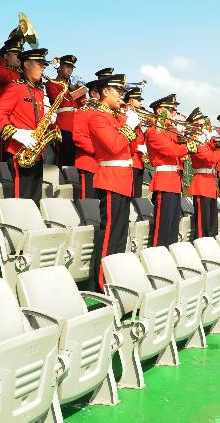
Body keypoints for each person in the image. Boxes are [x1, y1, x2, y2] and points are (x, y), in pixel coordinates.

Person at [87, 73, 138, 290]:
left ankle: (114, 280)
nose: (122, 96)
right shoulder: (98, 117)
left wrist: (133, 126)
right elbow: (114, 146)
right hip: (110, 179)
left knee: (120, 235)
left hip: (123, 179)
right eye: (118, 91)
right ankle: (101, 284)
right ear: (105, 91)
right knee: (109, 235)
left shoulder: (116, 117)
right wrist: (128, 126)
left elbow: (131, 149)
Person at [0, 48, 51, 206]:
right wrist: (16, 133)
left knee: (35, 197)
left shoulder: (38, 90)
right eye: (39, 64)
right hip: (20, 151)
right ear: (26, 65)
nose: (43, 67)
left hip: (35, 150)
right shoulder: (16, 87)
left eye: (44, 64)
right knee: (22, 197)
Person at [146, 94, 197, 247]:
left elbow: (181, 145)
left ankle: (169, 255)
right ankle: (158, 258)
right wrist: (187, 147)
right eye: (171, 110)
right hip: (165, 180)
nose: (174, 113)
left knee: (173, 226)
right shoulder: (155, 131)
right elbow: (171, 150)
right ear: (160, 110)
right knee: (163, 226)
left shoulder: (170, 130)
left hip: (175, 180)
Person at [186, 108, 220, 239]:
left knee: (212, 224)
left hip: (210, 182)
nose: (204, 122)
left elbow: (216, 146)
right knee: (202, 224)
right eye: (200, 120)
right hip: (201, 182)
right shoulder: (194, 140)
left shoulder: (205, 139)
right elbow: (211, 158)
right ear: (194, 124)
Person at [46, 54, 84, 167]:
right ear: (59, 68)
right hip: (62, 125)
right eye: (67, 67)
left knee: (75, 157)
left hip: (75, 126)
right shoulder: (51, 83)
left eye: (71, 68)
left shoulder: (74, 86)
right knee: (63, 156)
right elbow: (59, 99)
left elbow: (82, 105)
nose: (70, 70)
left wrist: (80, 90)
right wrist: (71, 89)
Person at [73, 80, 103, 199]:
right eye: (101, 93)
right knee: (90, 202)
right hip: (89, 161)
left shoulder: (103, 113)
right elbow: (79, 137)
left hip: (102, 163)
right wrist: (97, 150)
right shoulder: (83, 112)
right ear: (93, 93)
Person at [124, 87, 147, 197]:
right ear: (131, 100)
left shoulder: (138, 115)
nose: (140, 102)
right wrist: (138, 147)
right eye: (138, 99)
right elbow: (125, 136)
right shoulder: (126, 115)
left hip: (140, 160)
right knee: (131, 194)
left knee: (137, 194)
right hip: (131, 158)